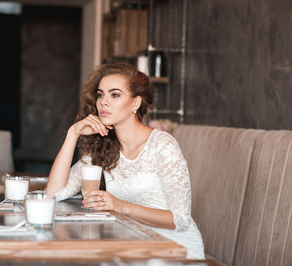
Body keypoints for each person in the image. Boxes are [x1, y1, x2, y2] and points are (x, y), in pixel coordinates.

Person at [45, 62, 204, 259]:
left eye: (115, 95)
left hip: (174, 248)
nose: (104, 102)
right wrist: (72, 134)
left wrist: (120, 206)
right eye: (101, 94)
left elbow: (180, 219)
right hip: (131, 246)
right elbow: (53, 193)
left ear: (136, 103)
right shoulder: (103, 146)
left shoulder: (162, 145)